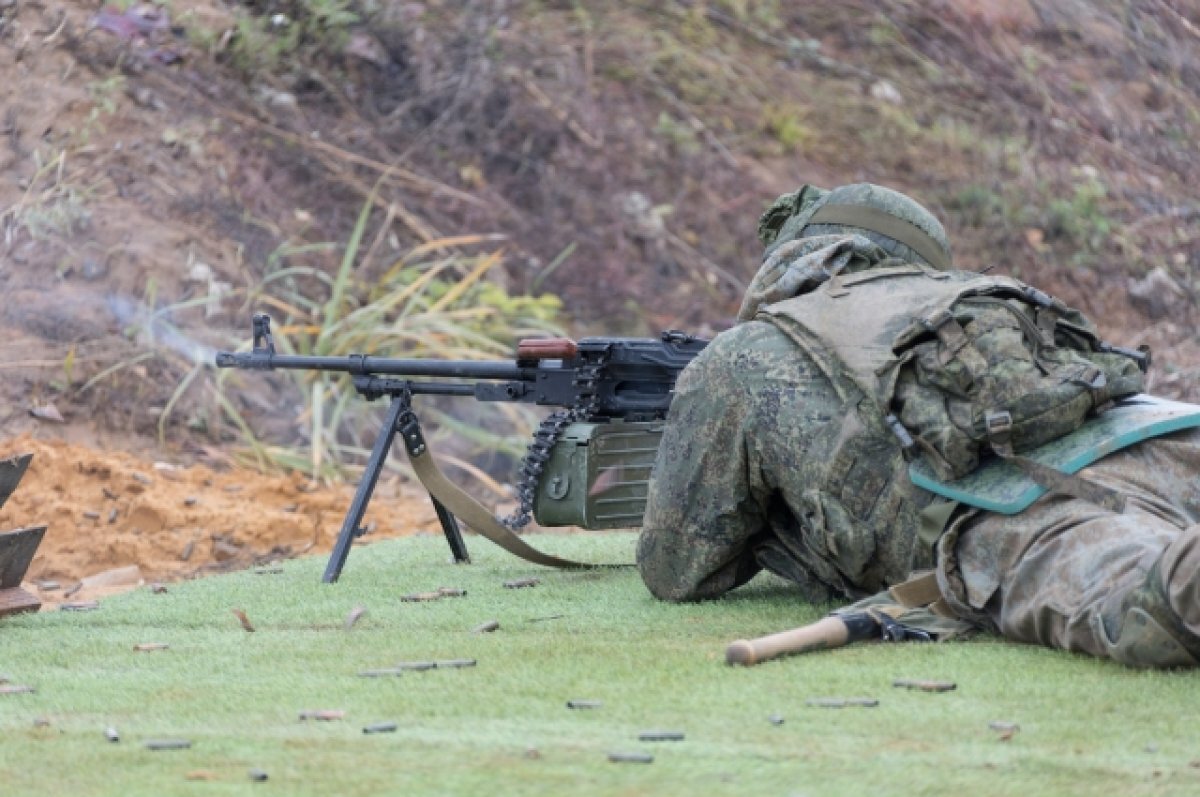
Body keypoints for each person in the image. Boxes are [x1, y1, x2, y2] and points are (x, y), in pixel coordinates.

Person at [636, 182, 1200, 668]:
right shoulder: (970, 302)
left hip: (1020, 512)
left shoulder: (745, 353)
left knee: (1159, 609)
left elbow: (676, 569)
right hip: (1164, 439)